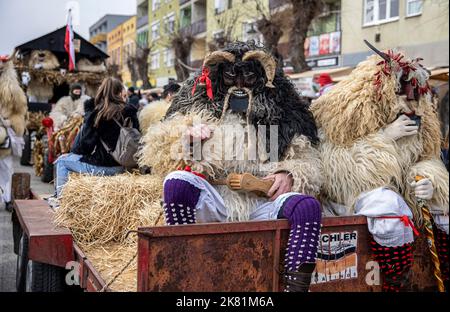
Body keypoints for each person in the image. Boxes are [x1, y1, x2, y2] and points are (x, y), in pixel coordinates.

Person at [138, 41, 323, 292]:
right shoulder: (199, 113)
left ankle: (295, 289)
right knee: (176, 182)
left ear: (261, 78)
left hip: (261, 202)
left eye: (247, 76)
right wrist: (189, 140)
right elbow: (167, 154)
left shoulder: (282, 118)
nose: (238, 85)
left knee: (306, 207)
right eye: (230, 77)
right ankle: (188, 273)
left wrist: (289, 173)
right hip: (218, 199)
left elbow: (306, 157)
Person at [311, 44, 449, 291]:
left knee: (444, 203)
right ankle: (396, 281)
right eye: (402, 93)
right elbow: (334, 169)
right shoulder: (343, 113)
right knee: (387, 205)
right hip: (350, 198)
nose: (409, 102)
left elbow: (426, 156)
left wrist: (428, 179)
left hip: (401, 191)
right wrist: (384, 137)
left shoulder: (421, 120)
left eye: (414, 94)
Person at [53, 77, 140, 201]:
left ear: (101, 92)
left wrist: (88, 116)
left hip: (105, 167)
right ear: (120, 93)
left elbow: (83, 148)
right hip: (126, 166)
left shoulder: (98, 113)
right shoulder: (130, 111)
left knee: (61, 162)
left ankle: (60, 201)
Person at [0, 55, 27, 211]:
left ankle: (9, 199)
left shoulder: (13, 90)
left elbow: (20, 110)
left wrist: (11, 122)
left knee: (6, 167)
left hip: (4, 132)